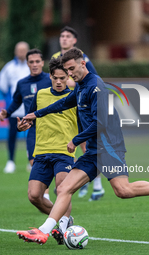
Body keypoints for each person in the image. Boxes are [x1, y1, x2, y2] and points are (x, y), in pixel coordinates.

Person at [16, 48, 149, 245]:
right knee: (64, 189)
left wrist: (75, 140)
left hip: (109, 146)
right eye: (67, 70)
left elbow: (100, 123)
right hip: (94, 150)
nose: (69, 74)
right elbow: (63, 103)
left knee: (123, 191)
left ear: (83, 64)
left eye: (71, 69)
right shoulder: (80, 86)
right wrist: (35, 114)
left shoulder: (96, 87)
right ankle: (43, 232)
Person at [16, 57, 77, 244]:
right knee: (34, 196)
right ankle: (63, 219)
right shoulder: (41, 95)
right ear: (50, 77)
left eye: (62, 78)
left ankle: (63, 225)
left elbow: (84, 123)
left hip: (63, 152)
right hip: (41, 152)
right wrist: (22, 126)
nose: (59, 82)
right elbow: (30, 118)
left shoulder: (75, 96)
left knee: (62, 189)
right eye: (55, 78)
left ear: (68, 77)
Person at [52, 26, 104, 201]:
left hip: (81, 104)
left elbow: (92, 78)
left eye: (68, 36)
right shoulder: (54, 58)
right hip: (66, 107)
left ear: (74, 40)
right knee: (66, 143)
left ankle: (96, 185)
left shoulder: (81, 56)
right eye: (62, 36)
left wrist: (75, 85)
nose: (64, 39)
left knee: (85, 145)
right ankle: (73, 182)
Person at [0, 48, 52, 201]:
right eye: (31, 62)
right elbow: (16, 102)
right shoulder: (22, 84)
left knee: (53, 163)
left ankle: (47, 196)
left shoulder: (51, 79)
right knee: (35, 163)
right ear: (27, 64)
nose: (34, 64)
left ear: (42, 62)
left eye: (37, 61)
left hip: (52, 128)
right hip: (33, 129)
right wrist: (6, 113)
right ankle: (45, 196)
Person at [0, 41, 30, 173]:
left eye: (24, 50)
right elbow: (2, 86)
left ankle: (31, 161)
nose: (21, 53)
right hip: (14, 109)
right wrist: (10, 101)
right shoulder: (9, 67)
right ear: (15, 52)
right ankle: (11, 161)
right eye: (19, 50)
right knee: (12, 135)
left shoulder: (31, 67)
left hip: (29, 109)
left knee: (31, 136)